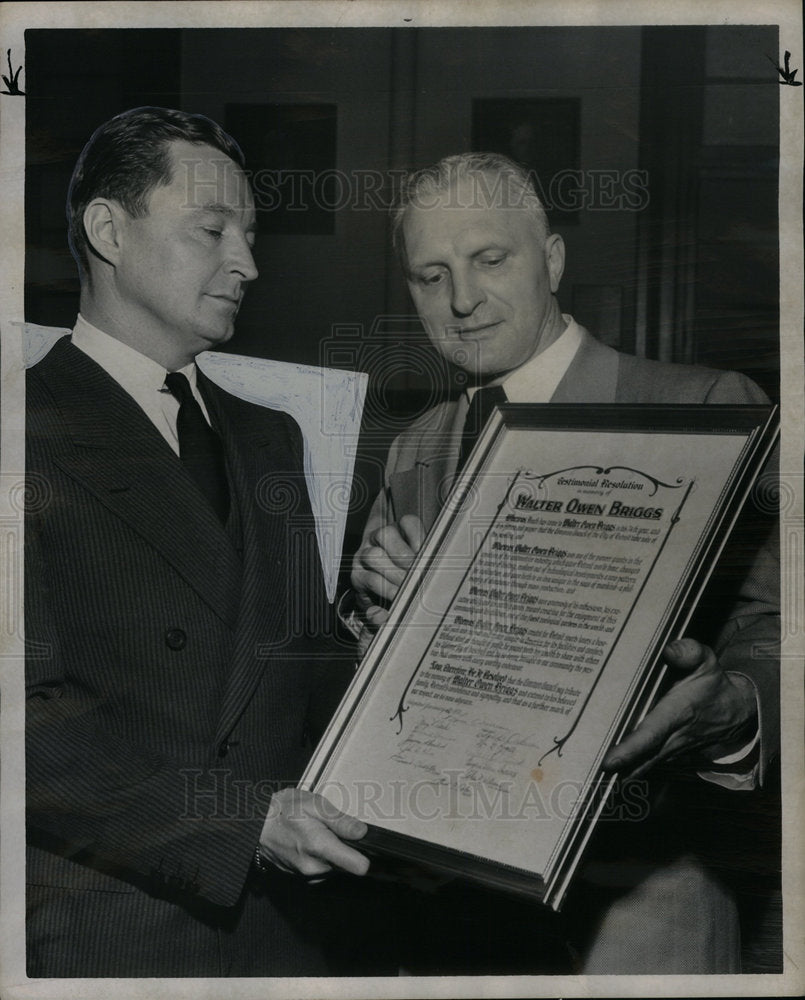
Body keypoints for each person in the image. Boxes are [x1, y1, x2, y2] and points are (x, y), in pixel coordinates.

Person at [350, 152, 780, 974]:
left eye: (489, 260)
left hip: (638, 902)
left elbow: (775, 639)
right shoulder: (414, 447)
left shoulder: (702, 407)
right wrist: (377, 623)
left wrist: (736, 711)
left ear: (550, 260)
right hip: (442, 912)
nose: (462, 301)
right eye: (429, 275)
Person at [24, 106, 382, 978]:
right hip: (113, 935)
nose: (248, 264)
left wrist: (384, 644)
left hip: (290, 933)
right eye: (213, 229)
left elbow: (288, 665)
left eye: (251, 235)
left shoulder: (271, 437)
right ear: (109, 230)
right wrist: (238, 824)